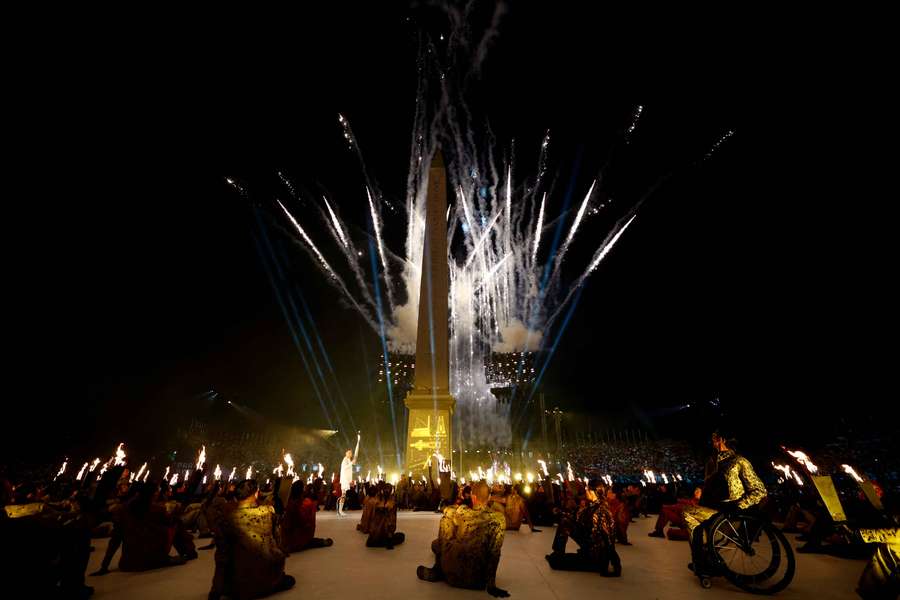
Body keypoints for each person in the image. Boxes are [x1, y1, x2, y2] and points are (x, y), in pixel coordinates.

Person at [683, 430, 767, 577]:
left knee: (688, 514)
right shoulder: (713, 461)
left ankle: (705, 559)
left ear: (721, 439)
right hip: (717, 509)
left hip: (731, 511)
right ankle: (707, 558)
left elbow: (759, 491)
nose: (712, 442)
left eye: (714, 438)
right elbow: (715, 489)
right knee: (690, 512)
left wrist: (738, 505)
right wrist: (702, 491)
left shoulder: (739, 461)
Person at [417, 480, 509, 597]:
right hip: (478, 579)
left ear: (473, 496)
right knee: (435, 544)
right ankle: (440, 567)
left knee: (440, 533)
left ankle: (438, 570)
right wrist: (491, 584)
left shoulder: (457, 512)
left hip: (451, 574)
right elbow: (494, 552)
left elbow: (446, 510)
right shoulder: (498, 519)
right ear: (489, 497)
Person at [209, 479, 295, 600]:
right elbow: (279, 545)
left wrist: (216, 590)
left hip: (239, 586)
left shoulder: (226, 516)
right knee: (289, 580)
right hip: (267, 578)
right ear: (256, 493)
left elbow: (222, 556)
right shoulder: (269, 511)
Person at [546, 482, 621, 576]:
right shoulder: (592, 506)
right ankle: (558, 552)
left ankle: (560, 557)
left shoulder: (601, 511)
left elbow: (607, 538)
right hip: (590, 541)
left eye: (588, 490)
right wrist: (562, 513)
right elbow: (577, 520)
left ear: (594, 493)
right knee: (565, 521)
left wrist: (614, 564)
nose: (586, 492)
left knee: (557, 562)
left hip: (596, 554)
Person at [283, 480, 333, 553]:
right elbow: (301, 521)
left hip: (287, 537)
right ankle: (321, 542)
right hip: (295, 539)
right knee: (309, 542)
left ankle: (319, 542)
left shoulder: (290, 502)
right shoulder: (296, 505)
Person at [366, 483, 405, 549]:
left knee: (400, 536)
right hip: (382, 533)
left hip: (380, 533)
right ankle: (385, 540)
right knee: (401, 536)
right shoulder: (384, 502)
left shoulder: (383, 502)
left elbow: (391, 520)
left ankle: (384, 540)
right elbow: (389, 521)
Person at [338, 433, 360, 517]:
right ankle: (340, 511)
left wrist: (358, 441)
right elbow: (344, 468)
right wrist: (351, 463)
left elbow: (356, 454)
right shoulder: (345, 459)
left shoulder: (349, 460)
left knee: (344, 495)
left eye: (351, 452)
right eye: (349, 452)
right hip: (344, 480)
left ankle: (340, 510)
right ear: (346, 453)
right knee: (343, 495)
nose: (351, 453)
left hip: (346, 480)